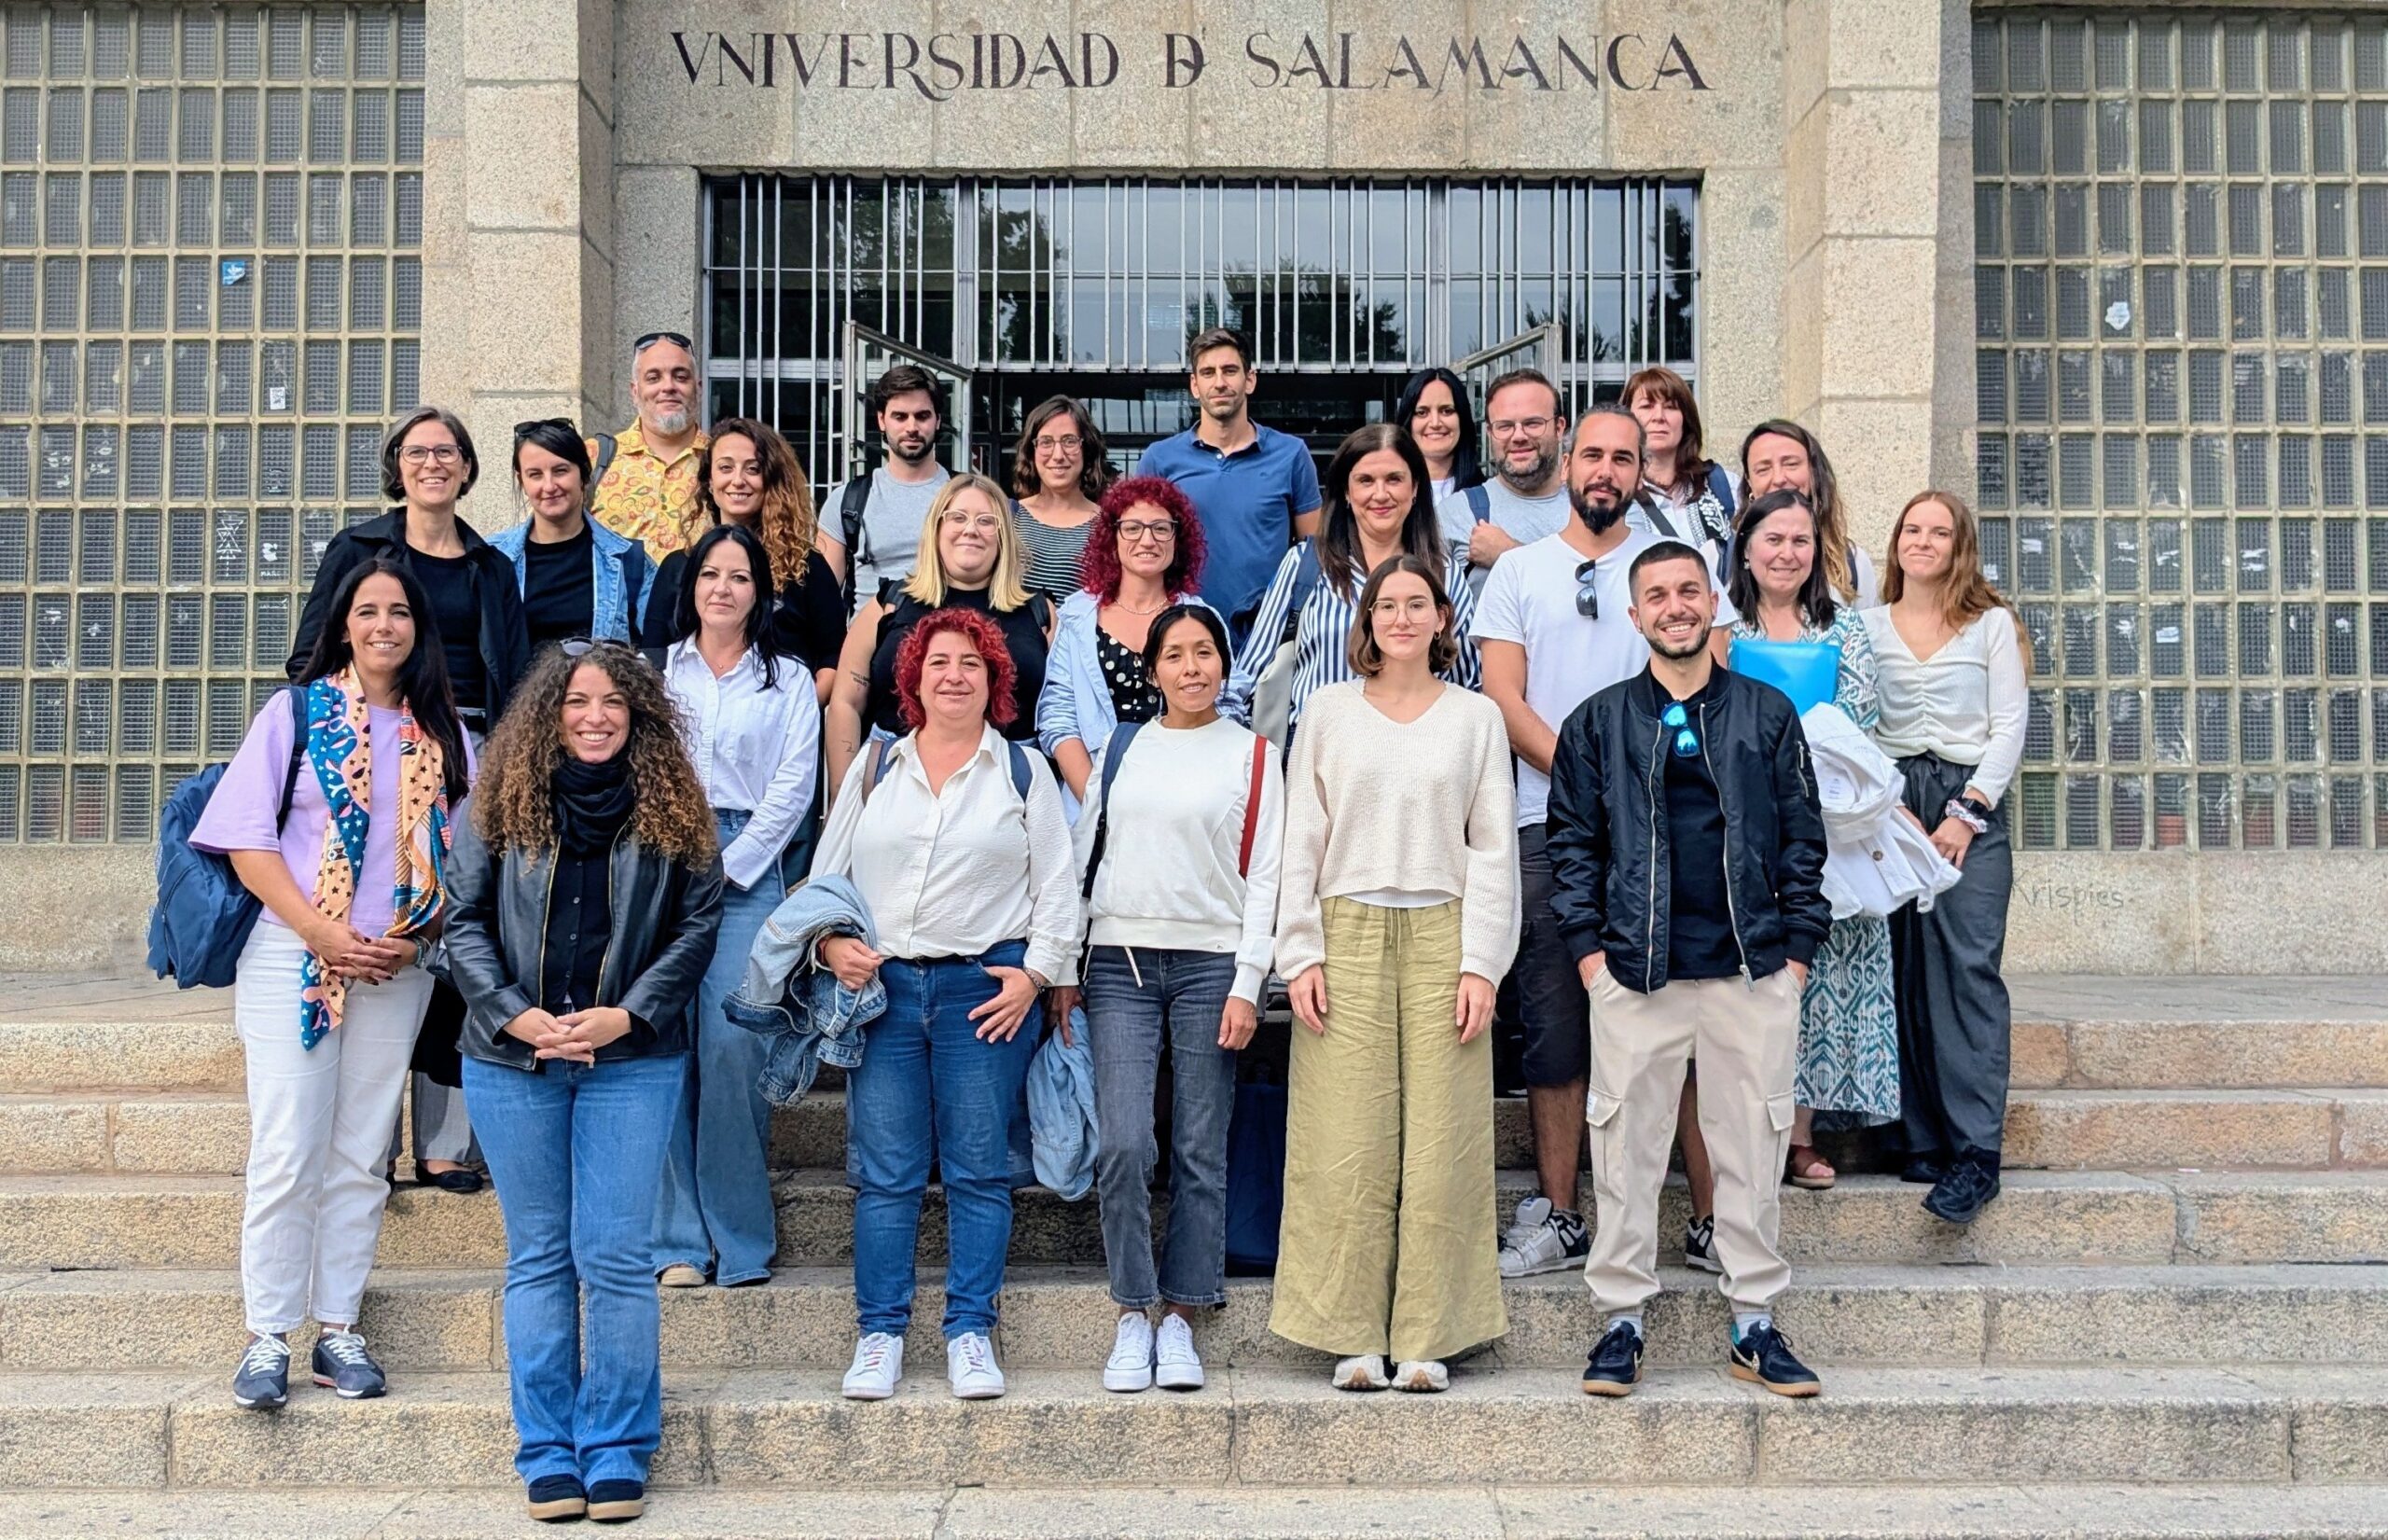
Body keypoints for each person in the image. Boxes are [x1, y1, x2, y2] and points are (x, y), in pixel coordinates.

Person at [439, 641, 725, 1524]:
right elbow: (460, 920)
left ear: (639, 714)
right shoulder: (497, 803)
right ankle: (546, 1448)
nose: (594, 716)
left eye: (612, 702)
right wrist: (511, 1012)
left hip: (630, 1061)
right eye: (576, 701)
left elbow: (698, 922)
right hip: (512, 1058)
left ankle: (616, 1447)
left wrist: (627, 1014)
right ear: (547, 713)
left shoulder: (673, 808)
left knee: (614, 1256)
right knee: (539, 1256)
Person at [1546, 540, 1830, 1401]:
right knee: (1626, 1150)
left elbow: (1803, 840)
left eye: (1688, 591)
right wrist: (1592, 956)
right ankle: (1622, 1321)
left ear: (1714, 605)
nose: (1675, 605)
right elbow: (1572, 847)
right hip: (1635, 973)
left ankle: (1754, 1322)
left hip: (1751, 973)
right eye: (1657, 595)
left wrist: (1797, 956)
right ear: (1634, 616)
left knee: (1751, 1146)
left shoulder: (1767, 714)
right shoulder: (1597, 721)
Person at [199, 557, 471, 1413]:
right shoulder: (296, 713)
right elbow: (248, 841)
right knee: (289, 1146)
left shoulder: (448, 735)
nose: (384, 625)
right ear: (343, 623)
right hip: (295, 951)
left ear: (420, 628)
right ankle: (268, 1335)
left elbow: (467, 861)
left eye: (400, 612)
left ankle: (338, 1327)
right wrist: (320, 931)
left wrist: (415, 934)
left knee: (360, 1154)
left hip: (395, 965)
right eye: (368, 611)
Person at [1473, 402, 1736, 1280]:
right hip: (1547, 824)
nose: (1606, 470)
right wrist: (1590, 782)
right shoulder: (1519, 572)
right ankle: (1562, 1215)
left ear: (1638, 470)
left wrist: (1636, 789)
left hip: (1670, 828)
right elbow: (1504, 699)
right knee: (1555, 1026)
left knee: (1685, 1023)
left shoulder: (1674, 570)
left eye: (1624, 457)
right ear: (1565, 458)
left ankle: (1709, 1221)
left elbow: (1714, 679)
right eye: (1592, 453)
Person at [812, 606, 1080, 1403]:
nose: (954, 673)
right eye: (939, 662)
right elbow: (828, 878)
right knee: (887, 1174)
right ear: (914, 679)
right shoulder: (875, 764)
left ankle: (969, 1330)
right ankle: (880, 1334)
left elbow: (1058, 890)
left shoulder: (1022, 771)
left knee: (978, 1171)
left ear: (995, 679)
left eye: (971, 662)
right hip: (885, 992)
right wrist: (829, 944)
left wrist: (1035, 977)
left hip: (983, 993)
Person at [1270, 555, 1518, 1395]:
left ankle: (1426, 1334)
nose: (1402, 617)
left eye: (1418, 604)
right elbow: (1297, 838)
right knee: (1345, 1139)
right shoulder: (1329, 713)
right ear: (1365, 621)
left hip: (1445, 928)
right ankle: (1350, 1333)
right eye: (1387, 604)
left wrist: (1483, 962)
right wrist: (1298, 950)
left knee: (1444, 1137)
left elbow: (1494, 848)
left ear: (1443, 619)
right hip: (1346, 929)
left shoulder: (1477, 718)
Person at [289, 405, 527, 1193]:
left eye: (448, 451)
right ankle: (363, 1143)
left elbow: (518, 679)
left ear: (466, 468)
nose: (434, 463)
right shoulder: (358, 550)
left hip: (467, 762)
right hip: (370, 752)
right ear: (398, 464)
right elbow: (309, 657)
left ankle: (442, 1141)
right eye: (419, 451)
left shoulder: (491, 567)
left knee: (448, 935)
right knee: (366, 928)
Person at [1076, 604, 1284, 1394]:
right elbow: (1084, 854)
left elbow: (1266, 876)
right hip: (1119, 961)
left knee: (1201, 1146)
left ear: (1224, 666)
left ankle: (1183, 1315)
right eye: (1175, 654)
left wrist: (1247, 980)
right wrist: (1062, 965)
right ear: (1153, 668)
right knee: (1125, 1141)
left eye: (1205, 653)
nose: (1192, 667)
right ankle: (1133, 1306)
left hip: (1210, 966)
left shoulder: (1257, 755)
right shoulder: (1124, 746)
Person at [652, 524, 823, 1290]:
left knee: (730, 1046)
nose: (723, 587)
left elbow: (793, 789)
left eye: (739, 576)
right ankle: (677, 1242)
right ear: (692, 587)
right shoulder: (656, 676)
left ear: (760, 591)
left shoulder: (786, 680)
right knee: (660, 1046)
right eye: (710, 574)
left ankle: (741, 1237)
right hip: (659, 859)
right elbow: (636, 769)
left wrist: (729, 868)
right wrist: (675, 862)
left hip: (751, 867)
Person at [1865, 491, 2029, 1227]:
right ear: (1896, 541)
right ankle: (1918, 1139)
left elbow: (2010, 726)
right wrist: (1886, 806)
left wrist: (1967, 813)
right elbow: (1857, 720)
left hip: (1969, 803)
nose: (1922, 540)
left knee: (1964, 967)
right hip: (1892, 801)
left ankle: (1974, 1153)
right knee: (1900, 964)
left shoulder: (1991, 625)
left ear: (1960, 545)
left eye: (1939, 530)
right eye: (1911, 528)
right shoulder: (1867, 626)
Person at [1725, 489, 1895, 1189]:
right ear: (1746, 548)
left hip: (1826, 820)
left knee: (1819, 982)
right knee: (1743, 980)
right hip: (1738, 820)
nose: (1787, 552)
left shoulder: (1844, 628)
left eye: (1800, 540)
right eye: (1774, 539)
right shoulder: (1720, 625)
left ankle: (1799, 1136)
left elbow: (1858, 715)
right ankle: (1736, 1133)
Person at [1223, 424, 1478, 740]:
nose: (1380, 494)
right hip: (1314, 762)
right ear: (1346, 491)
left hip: (1419, 761)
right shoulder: (1305, 566)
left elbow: (1468, 684)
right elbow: (1249, 674)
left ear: (1415, 489)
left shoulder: (1445, 575)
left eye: (1394, 479)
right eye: (1366, 481)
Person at [825, 473, 1052, 795]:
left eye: (986, 521)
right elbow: (846, 701)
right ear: (936, 528)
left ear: (1003, 535)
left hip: (1007, 785)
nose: (970, 529)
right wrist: (842, 795)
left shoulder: (1040, 613)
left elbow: (1062, 710)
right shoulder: (891, 603)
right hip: (895, 779)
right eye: (957, 517)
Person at [640, 417, 845, 703]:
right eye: (725, 468)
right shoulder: (678, 567)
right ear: (709, 481)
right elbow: (653, 658)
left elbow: (833, 657)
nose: (738, 480)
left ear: (771, 479)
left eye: (753, 469)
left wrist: (795, 714)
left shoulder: (806, 567)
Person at [1135, 327, 1322, 640]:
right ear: (1195, 385)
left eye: (1230, 370)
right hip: (1182, 635)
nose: (1219, 382)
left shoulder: (1291, 455)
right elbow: (1136, 554)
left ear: (1250, 380)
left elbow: (1315, 554)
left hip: (1269, 636)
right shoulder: (1160, 459)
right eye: (1208, 372)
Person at [1037, 475, 1213, 807]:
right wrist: (1098, 804)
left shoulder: (1199, 619)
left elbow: (1225, 707)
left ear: (1178, 539)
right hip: (1091, 797)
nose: (1147, 540)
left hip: (1184, 797)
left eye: (1161, 528)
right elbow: (1058, 715)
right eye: (1132, 528)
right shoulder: (1076, 617)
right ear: (1112, 538)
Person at [489, 419, 658, 652]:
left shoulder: (629, 562)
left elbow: (659, 654)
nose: (549, 486)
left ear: (584, 475)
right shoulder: (493, 560)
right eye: (535, 474)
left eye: (560, 471)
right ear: (522, 481)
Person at [822, 364, 953, 612]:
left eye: (922, 416)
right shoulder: (846, 501)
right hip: (869, 645)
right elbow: (821, 598)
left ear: (938, 420)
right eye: (900, 416)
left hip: (947, 643)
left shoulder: (966, 497)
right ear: (882, 420)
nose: (911, 427)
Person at [1437, 368, 1569, 587]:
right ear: (1489, 433)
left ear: (1559, 428)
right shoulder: (1456, 514)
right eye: (1505, 426)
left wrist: (1509, 554)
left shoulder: (1597, 509)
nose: (1518, 436)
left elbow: (1608, 595)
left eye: (1532, 423)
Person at [588, 330, 711, 562]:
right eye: (654, 378)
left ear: (699, 388)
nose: (668, 387)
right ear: (635, 392)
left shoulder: (723, 464)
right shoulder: (593, 458)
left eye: (681, 376)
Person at [1743, 420, 1879, 610]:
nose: (1779, 479)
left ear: (1813, 471)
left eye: (1791, 464)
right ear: (1749, 482)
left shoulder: (1852, 562)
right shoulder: (1722, 558)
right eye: (1763, 469)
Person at [1011, 395, 1112, 604]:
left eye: (1069, 441)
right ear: (1032, 451)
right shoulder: (1009, 515)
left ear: (1086, 449)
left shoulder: (1106, 525)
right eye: (1046, 442)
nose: (1058, 455)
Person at [1628, 366, 1738, 551]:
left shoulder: (1724, 485)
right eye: (1647, 406)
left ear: (1686, 419)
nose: (1659, 417)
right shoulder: (1617, 494)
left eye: (1670, 407)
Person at [1395, 366, 1483, 505]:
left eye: (1447, 411)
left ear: (1462, 418)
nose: (1435, 423)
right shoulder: (1390, 496)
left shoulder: (1487, 496)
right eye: (1422, 412)